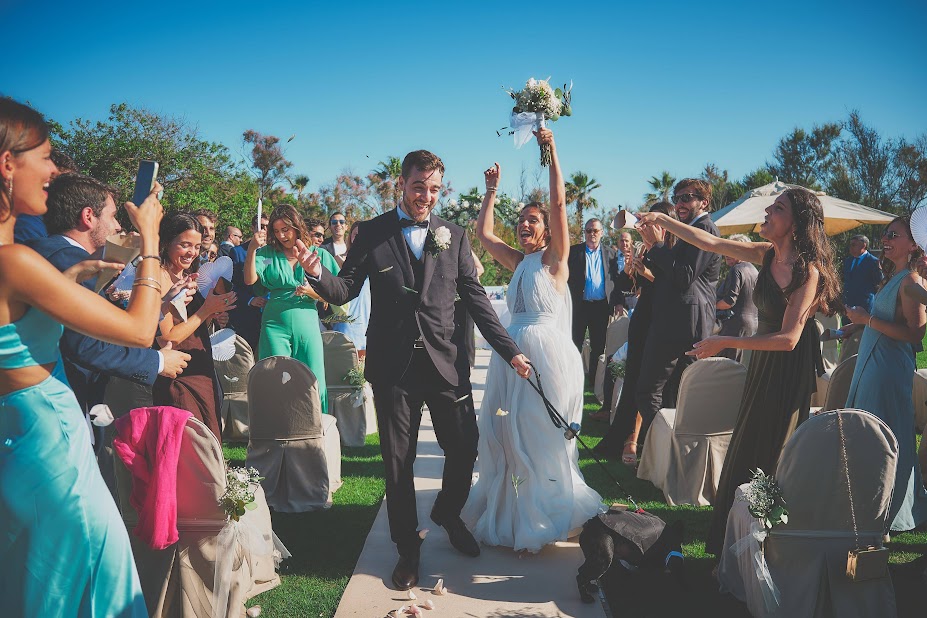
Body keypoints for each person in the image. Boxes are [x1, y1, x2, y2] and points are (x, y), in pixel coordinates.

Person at [298, 149, 529, 591]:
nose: (426, 196)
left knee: (464, 448)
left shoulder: (455, 235)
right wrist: (316, 276)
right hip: (393, 369)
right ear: (401, 184)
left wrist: (511, 351)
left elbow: (477, 300)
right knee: (398, 464)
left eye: (434, 189)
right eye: (419, 186)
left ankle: (447, 511)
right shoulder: (372, 232)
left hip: (446, 362)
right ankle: (408, 550)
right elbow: (345, 290)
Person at [0, 96, 164, 616]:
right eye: (45, 158)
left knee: (42, 580)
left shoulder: (20, 266)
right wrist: (151, 237)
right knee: (97, 581)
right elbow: (140, 331)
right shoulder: (17, 261)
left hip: (18, 437)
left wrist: (67, 283)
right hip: (53, 442)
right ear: (8, 164)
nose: (53, 171)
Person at [636, 187, 841, 556]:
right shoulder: (764, 254)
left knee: (774, 449)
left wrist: (721, 344)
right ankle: (734, 542)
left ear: (795, 225)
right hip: (761, 363)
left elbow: (790, 339)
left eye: (777, 208)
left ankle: (769, 545)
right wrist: (664, 220)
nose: (767, 211)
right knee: (747, 441)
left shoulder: (806, 272)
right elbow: (708, 242)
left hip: (787, 368)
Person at [462, 128, 604, 553]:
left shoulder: (555, 259)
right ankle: (512, 512)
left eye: (532, 220)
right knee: (502, 431)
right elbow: (484, 235)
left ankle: (546, 513)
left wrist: (553, 151)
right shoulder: (517, 260)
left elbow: (559, 203)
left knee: (537, 433)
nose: (525, 224)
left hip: (548, 357)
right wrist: (490, 192)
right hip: (512, 355)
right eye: (522, 219)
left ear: (545, 231)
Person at [844, 216, 927, 532]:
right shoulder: (895, 278)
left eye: (894, 234)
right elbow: (881, 318)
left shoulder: (911, 281)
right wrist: (856, 324)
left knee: (885, 436)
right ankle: (869, 502)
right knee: (870, 434)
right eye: (885, 234)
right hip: (872, 363)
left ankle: (892, 508)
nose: (886, 239)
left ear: (913, 244)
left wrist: (867, 321)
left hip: (887, 370)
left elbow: (915, 335)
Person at [634, 179, 721, 446]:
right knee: (676, 394)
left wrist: (656, 247)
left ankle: (663, 452)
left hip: (682, 324)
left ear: (703, 202)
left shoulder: (705, 229)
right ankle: (669, 453)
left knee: (648, 391)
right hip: (679, 321)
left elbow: (683, 276)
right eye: (677, 197)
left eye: (687, 198)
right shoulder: (689, 230)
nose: (680, 203)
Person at [594, 202, 677, 465]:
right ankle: (627, 435)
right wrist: (634, 270)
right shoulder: (648, 247)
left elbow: (673, 284)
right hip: (643, 315)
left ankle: (642, 439)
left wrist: (648, 272)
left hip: (661, 317)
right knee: (634, 378)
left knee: (650, 382)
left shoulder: (674, 250)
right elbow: (634, 286)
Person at [245, 204, 339, 413]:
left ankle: (315, 429)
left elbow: (335, 293)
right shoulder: (266, 253)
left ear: (296, 226)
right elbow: (250, 280)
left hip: (307, 322)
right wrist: (252, 248)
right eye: (276, 231)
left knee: (313, 378)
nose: (281, 235)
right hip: (274, 324)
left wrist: (310, 292)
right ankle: (277, 432)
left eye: (285, 229)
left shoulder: (318, 254)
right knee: (276, 378)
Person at [154, 211, 236, 440]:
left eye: (197, 246)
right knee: (188, 442)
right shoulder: (159, 276)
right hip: (178, 373)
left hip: (200, 363)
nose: (192, 252)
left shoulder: (189, 275)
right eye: (185, 245)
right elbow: (167, 336)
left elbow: (192, 322)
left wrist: (215, 312)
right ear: (167, 241)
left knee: (208, 437)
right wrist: (205, 311)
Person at [567, 217, 624, 387]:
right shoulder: (573, 252)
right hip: (578, 306)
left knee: (598, 347)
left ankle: (593, 381)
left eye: (595, 231)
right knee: (573, 343)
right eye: (589, 231)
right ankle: (572, 379)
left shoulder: (611, 254)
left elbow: (617, 281)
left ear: (602, 233)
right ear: (585, 233)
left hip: (600, 306)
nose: (592, 234)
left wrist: (619, 302)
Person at [715, 234, 759, 362]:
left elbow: (729, 301)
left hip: (734, 325)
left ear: (743, 251)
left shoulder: (737, 269)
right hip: (751, 325)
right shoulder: (754, 270)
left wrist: (710, 305)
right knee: (737, 366)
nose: (726, 254)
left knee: (724, 366)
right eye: (726, 250)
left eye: (732, 250)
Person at [332, 220, 371, 358]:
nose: (358, 238)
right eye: (355, 234)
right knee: (346, 354)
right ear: (350, 236)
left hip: (366, 308)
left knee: (364, 357)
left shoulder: (374, 260)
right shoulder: (338, 259)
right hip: (348, 309)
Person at [229, 214, 268, 352]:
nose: (264, 230)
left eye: (268, 227)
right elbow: (231, 286)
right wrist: (250, 299)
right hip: (246, 318)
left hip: (271, 317)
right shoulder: (237, 252)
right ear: (253, 228)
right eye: (261, 226)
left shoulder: (276, 253)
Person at [843, 234, 882, 316]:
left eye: (853, 245)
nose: (850, 247)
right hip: (848, 305)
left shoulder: (873, 262)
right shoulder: (848, 261)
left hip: (865, 306)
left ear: (863, 245)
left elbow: (879, 283)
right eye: (850, 245)